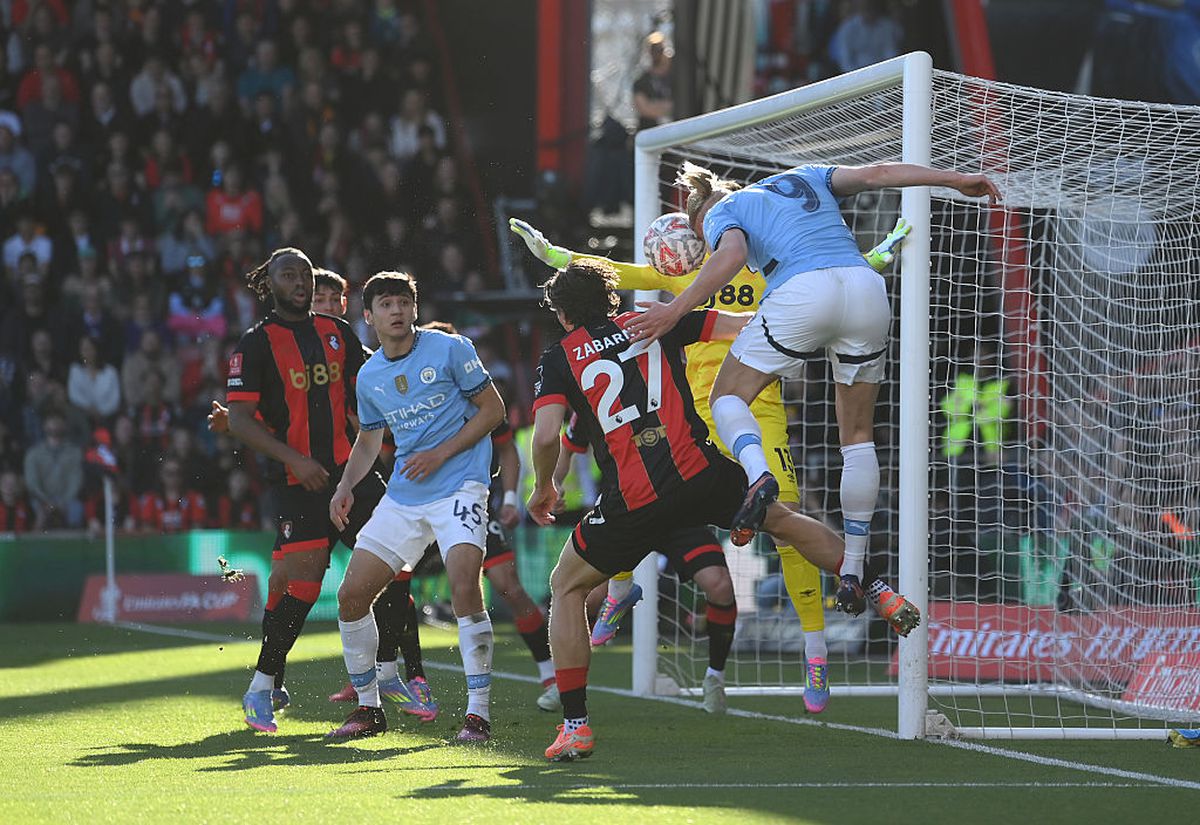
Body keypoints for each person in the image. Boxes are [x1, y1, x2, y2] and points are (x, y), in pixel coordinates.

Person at [512, 214, 910, 712]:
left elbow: (547, 433)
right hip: (700, 464)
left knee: (566, 587)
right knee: (785, 522)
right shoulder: (661, 317)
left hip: (637, 493)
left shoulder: (562, 356)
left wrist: (544, 486)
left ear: (563, 315)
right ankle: (876, 587)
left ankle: (575, 719)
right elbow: (743, 321)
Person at [626, 160, 999, 615]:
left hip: (802, 292)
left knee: (727, 396)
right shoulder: (806, 174)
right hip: (865, 290)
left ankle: (758, 475)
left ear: (702, 217)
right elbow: (878, 174)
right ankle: (853, 570)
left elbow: (733, 254)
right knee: (857, 436)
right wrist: (955, 179)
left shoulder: (723, 211)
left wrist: (674, 310)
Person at [327, 271, 506, 742]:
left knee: (464, 584)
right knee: (351, 596)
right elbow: (369, 439)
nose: (397, 311)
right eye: (386, 305)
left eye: (404, 302)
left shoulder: (451, 349)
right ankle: (369, 708)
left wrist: (441, 453)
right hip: (406, 495)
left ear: (415, 307)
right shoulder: (370, 376)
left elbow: (494, 411)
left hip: (461, 485)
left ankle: (478, 715)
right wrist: (345, 485)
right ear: (368, 317)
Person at [224, 247, 393, 735]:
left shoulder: (337, 332)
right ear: (270, 284)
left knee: (392, 562)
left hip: (351, 475)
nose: (299, 282)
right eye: (288, 275)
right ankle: (262, 687)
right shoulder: (255, 343)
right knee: (301, 586)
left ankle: (392, 676)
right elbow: (240, 419)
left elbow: (368, 388)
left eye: (305, 274)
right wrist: (295, 459)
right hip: (297, 483)